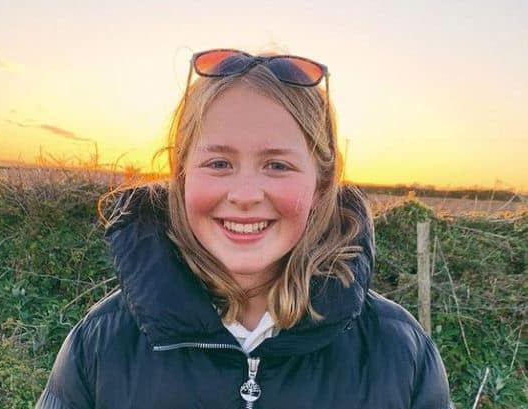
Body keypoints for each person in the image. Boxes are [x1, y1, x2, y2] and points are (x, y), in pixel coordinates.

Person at [35, 48, 453, 408]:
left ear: (322, 184)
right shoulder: (101, 343)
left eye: (277, 165)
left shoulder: (400, 353)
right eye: (219, 163)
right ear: (181, 175)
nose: (246, 194)